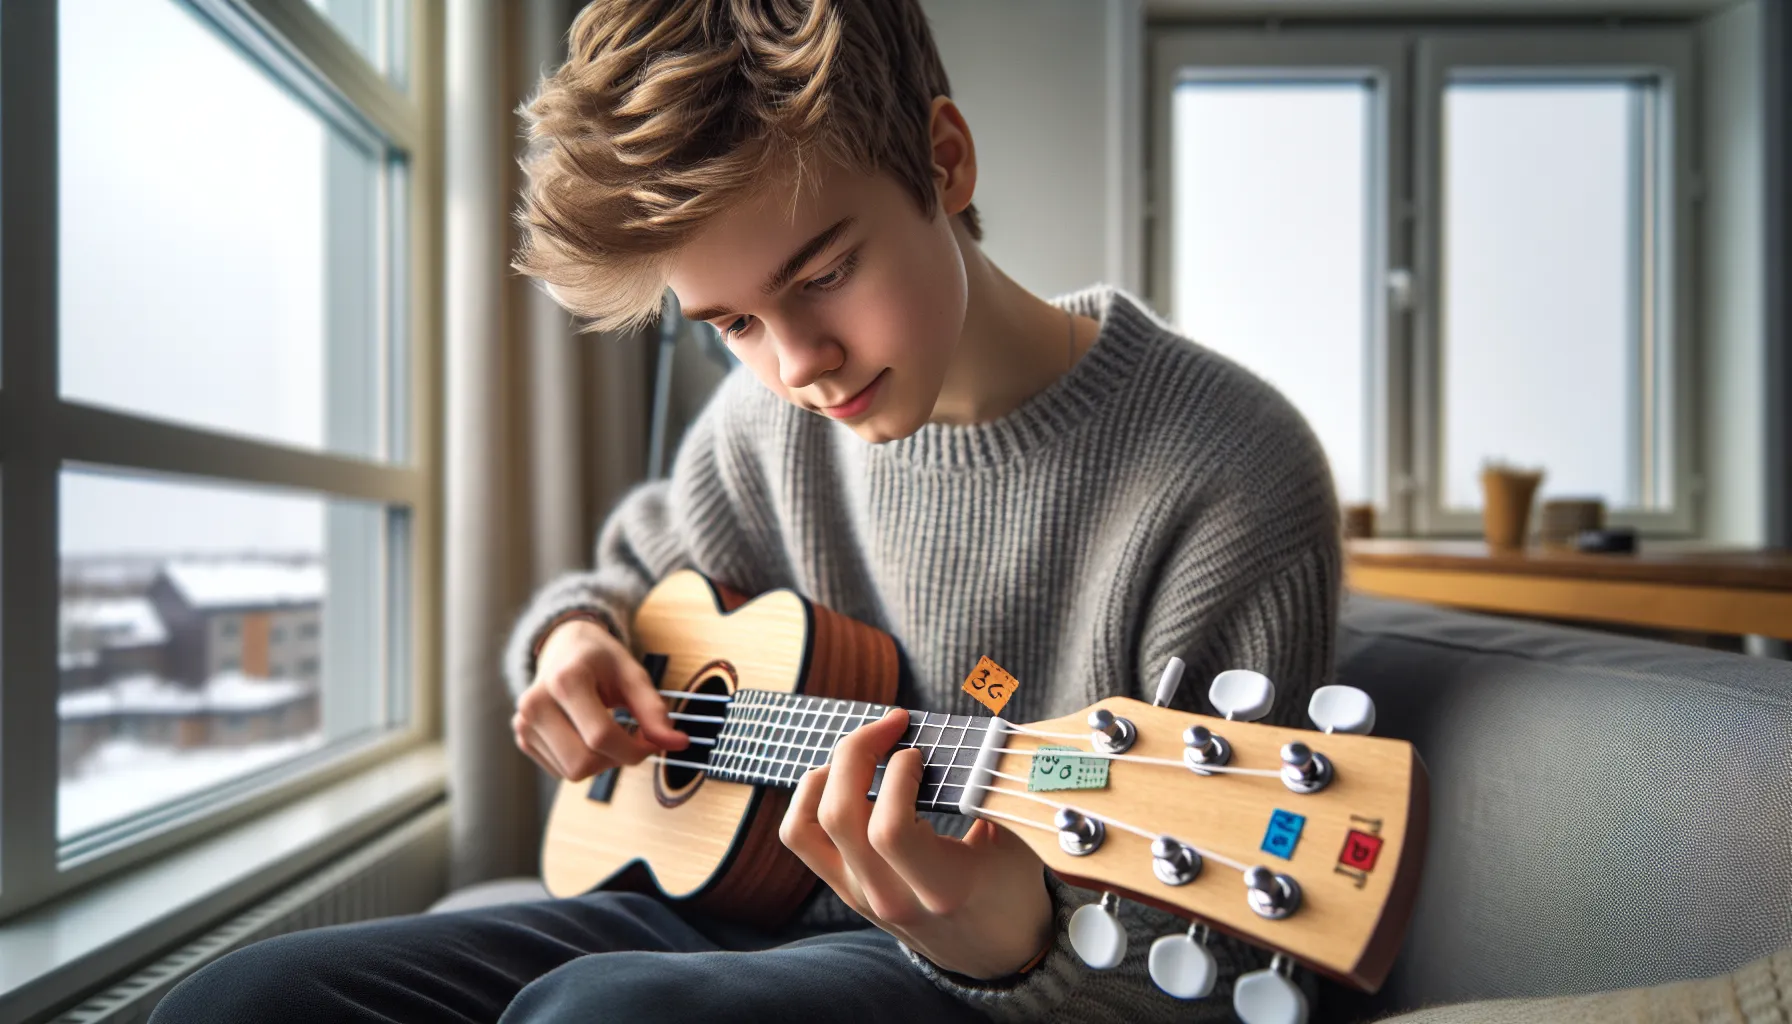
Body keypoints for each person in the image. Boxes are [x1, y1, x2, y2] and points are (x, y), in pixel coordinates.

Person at [150, 1, 1339, 1021]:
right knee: (231, 1002)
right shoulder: (764, 424)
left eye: (822, 273)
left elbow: (1226, 959)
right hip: (711, 908)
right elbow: (625, 580)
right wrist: (571, 642)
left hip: (965, 984)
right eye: (730, 325)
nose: (799, 362)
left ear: (946, 159)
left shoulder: (1228, 472)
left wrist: (1014, 942)